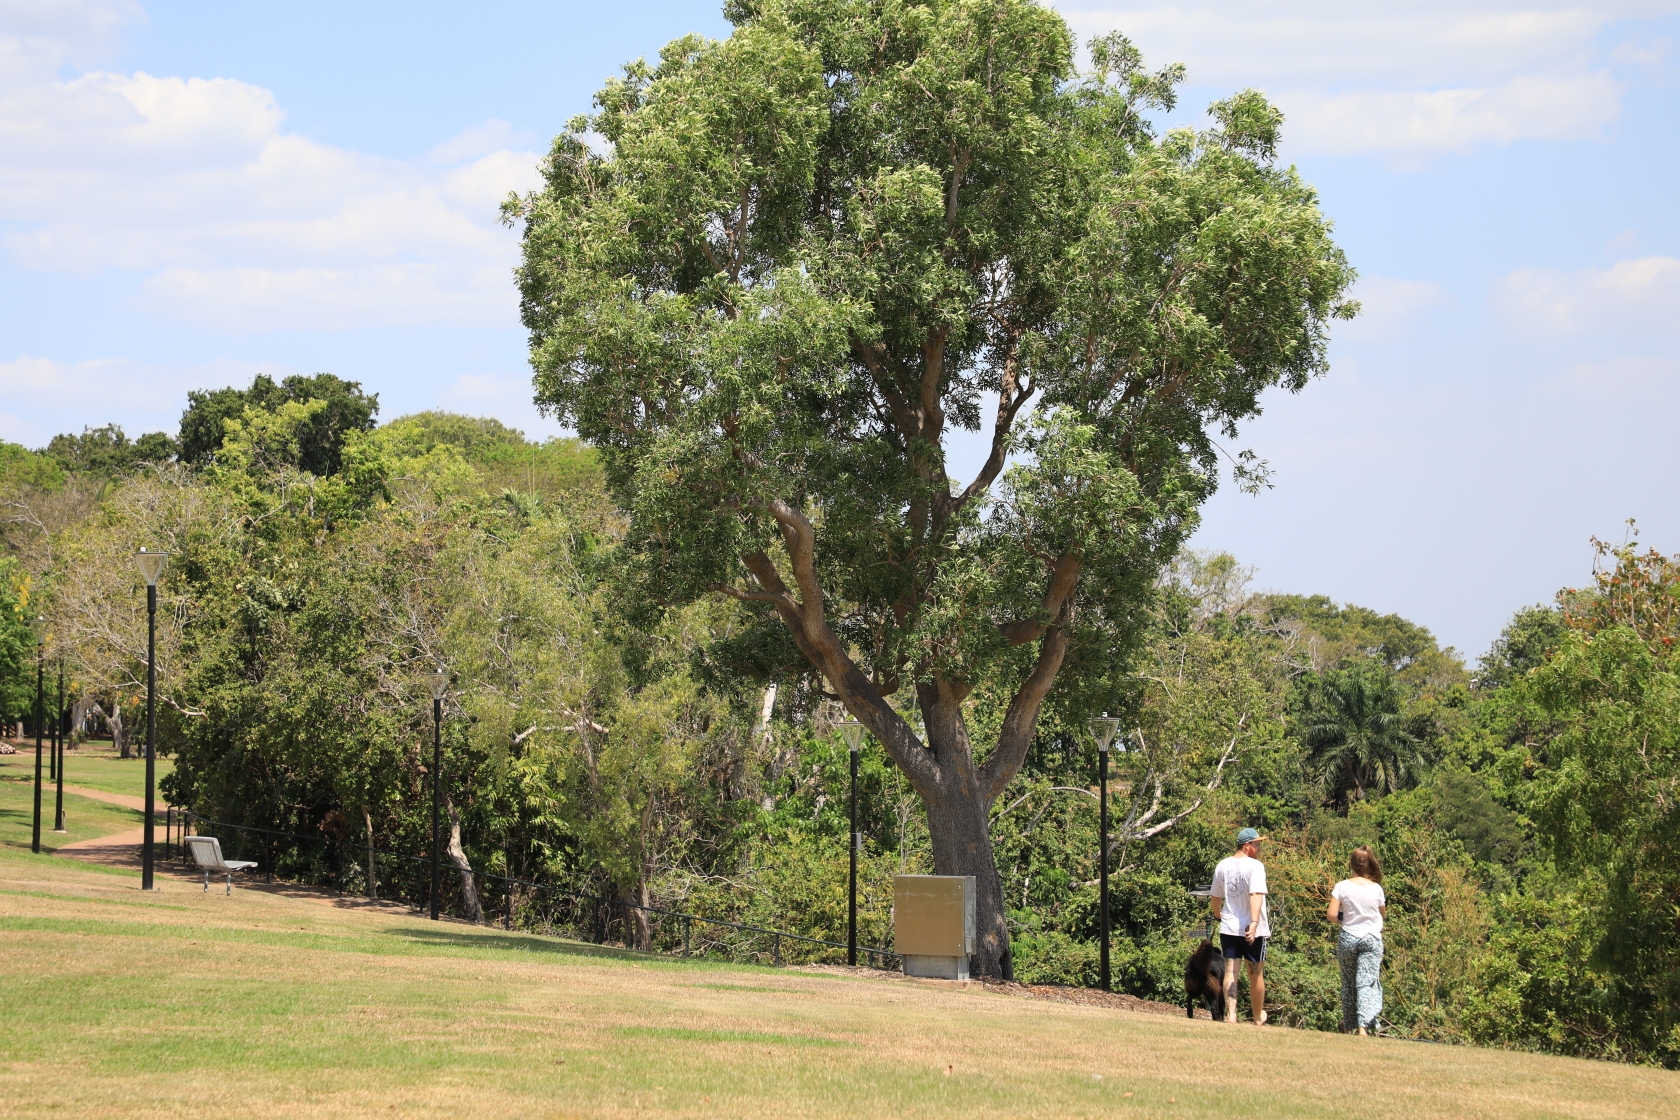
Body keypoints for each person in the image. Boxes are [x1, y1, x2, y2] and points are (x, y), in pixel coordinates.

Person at [1209, 826, 1270, 1025]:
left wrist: (1218, 915)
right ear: (1246, 846)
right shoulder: (1255, 866)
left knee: (1230, 971)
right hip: (1252, 929)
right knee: (1255, 973)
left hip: (1229, 926)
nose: (1259, 848)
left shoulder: (1222, 865)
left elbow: (1216, 896)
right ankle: (1258, 1016)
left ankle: (1231, 1015)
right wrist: (1253, 923)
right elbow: (1256, 895)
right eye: (1257, 844)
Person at [1328, 845, 1387, 1036]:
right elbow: (1382, 914)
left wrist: (1342, 919)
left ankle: (1349, 1025)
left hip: (1348, 937)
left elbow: (1331, 915)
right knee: (1366, 982)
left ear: (1351, 864)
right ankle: (1363, 1026)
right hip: (1371, 938)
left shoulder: (1342, 886)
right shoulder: (1377, 888)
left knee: (1348, 982)